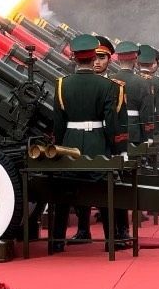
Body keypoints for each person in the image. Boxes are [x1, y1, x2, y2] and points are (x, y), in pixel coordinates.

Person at [49, 34, 125, 253]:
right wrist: (113, 147)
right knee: (104, 192)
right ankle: (111, 241)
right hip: (97, 143)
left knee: (64, 194)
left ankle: (57, 241)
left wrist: (62, 145)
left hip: (71, 143)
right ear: (94, 59)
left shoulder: (62, 84)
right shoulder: (108, 86)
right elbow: (111, 123)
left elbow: (59, 123)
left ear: (74, 58)